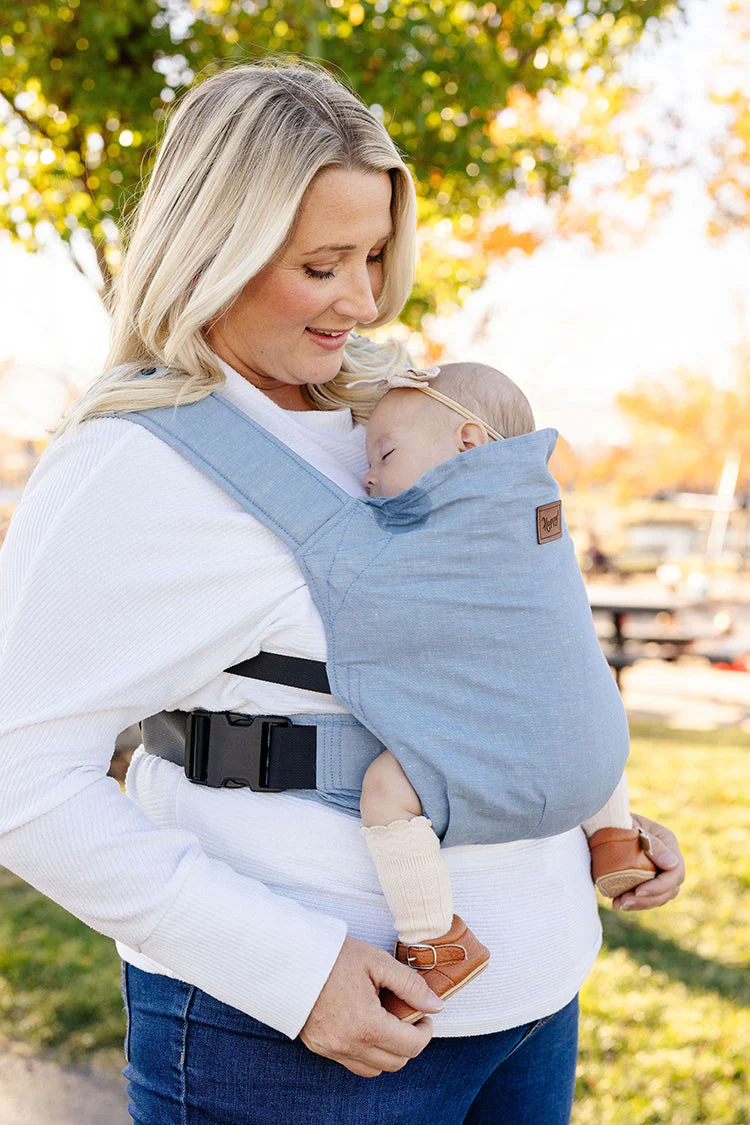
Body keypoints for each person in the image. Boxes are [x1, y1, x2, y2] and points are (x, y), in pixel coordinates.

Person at [0, 61, 684, 1125]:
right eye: (322, 265)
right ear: (213, 250)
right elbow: (21, 776)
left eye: (373, 255)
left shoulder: (405, 413)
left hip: (537, 1004)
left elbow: (505, 654)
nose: (363, 301)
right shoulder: (135, 465)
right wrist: (293, 970)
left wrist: (587, 807)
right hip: (302, 1051)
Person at [357, 361, 657, 1022]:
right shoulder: (541, 505)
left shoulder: (438, 524)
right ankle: (614, 839)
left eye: (385, 454)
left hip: (500, 726)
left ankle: (436, 940)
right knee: (583, 720)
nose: (369, 478)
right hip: (587, 729)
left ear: (467, 443)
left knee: (385, 788)